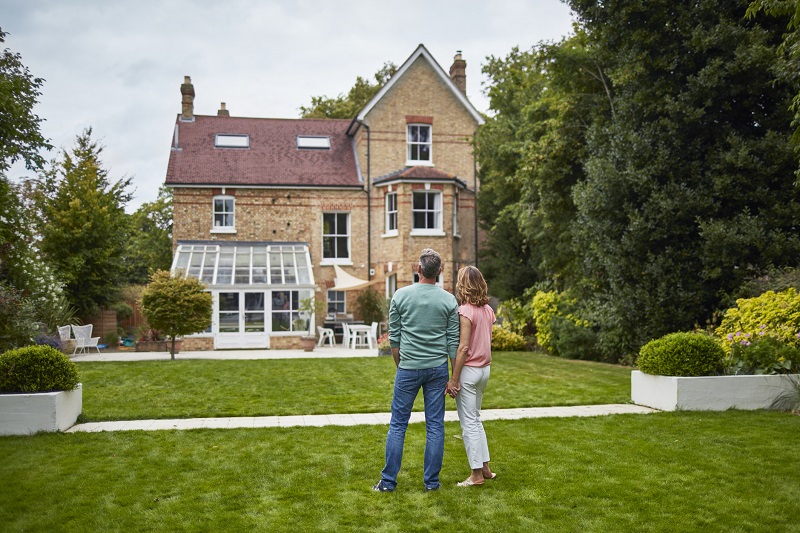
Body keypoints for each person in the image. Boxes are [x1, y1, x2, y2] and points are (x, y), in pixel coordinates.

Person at [373, 248, 459, 492]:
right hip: (437, 369)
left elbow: (394, 339)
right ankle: (432, 483)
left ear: (418, 269)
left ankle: (388, 483)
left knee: (398, 425)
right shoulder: (448, 299)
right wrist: (453, 377)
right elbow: (453, 342)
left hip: (408, 368)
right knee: (435, 426)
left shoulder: (400, 296)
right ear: (439, 272)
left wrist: (401, 366)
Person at [446, 265, 496, 487]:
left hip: (470, 371)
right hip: (484, 370)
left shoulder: (465, 311)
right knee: (476, 419)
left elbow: (463, 348)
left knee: (469, 424)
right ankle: (485, 468)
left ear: (463, 285)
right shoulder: (488, 310)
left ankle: (475, 475)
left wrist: (454, 379)